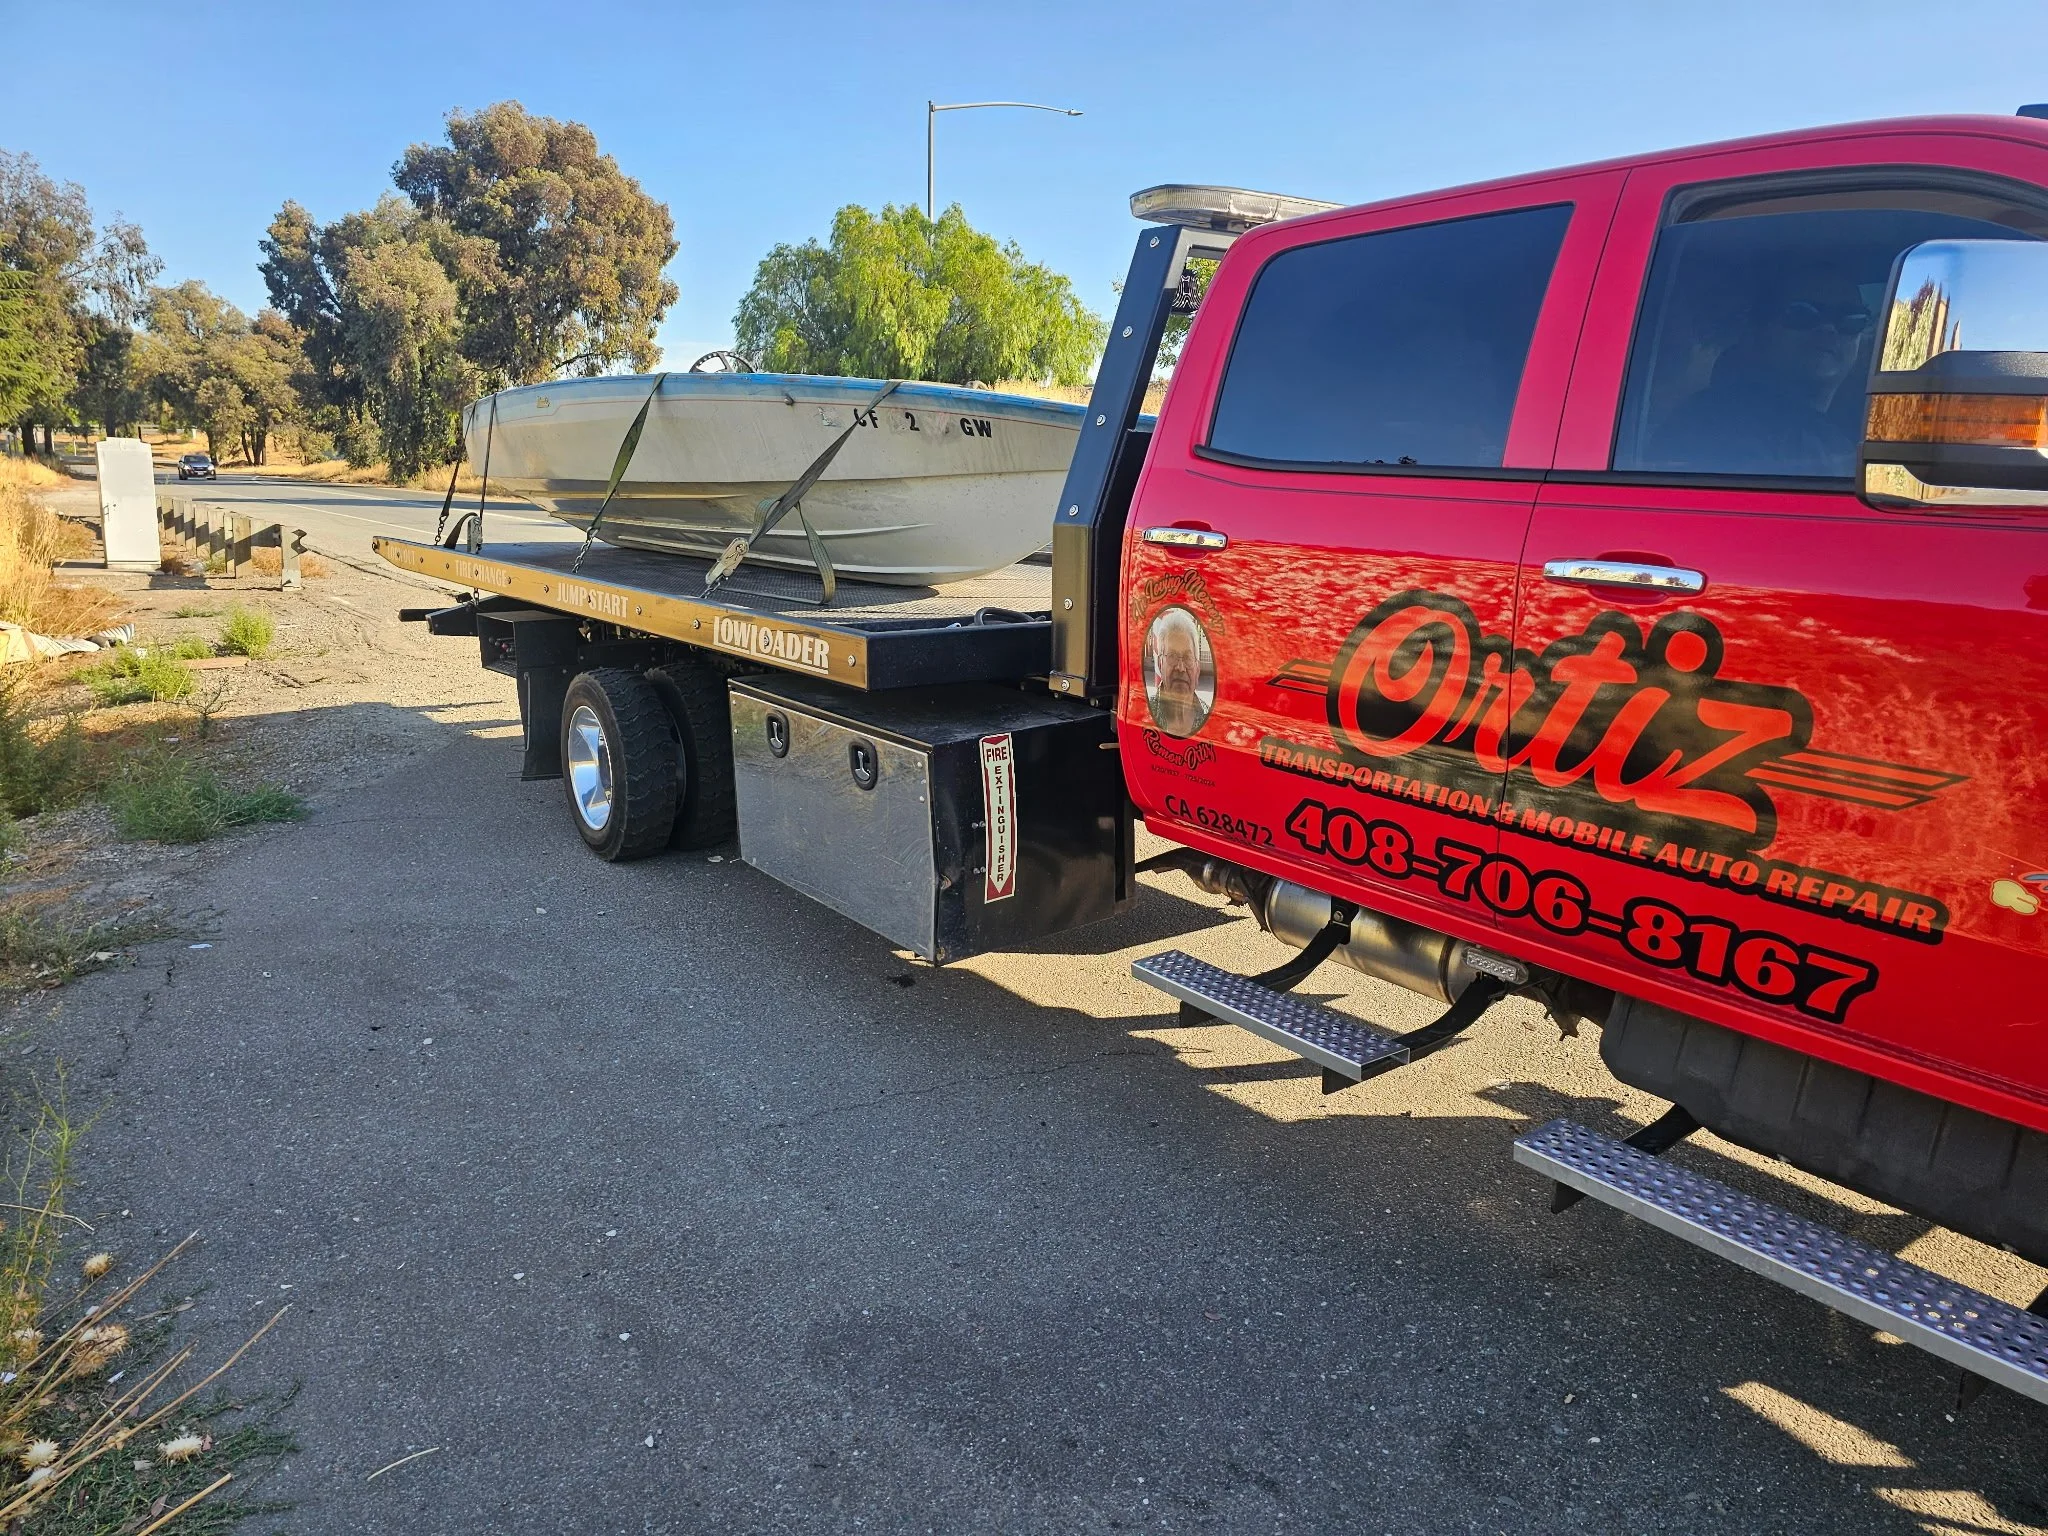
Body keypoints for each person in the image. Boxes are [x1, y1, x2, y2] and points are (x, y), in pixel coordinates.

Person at [1655, 265, 1874, 477]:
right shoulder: (1715, 424)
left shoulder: (1851, 431)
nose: (1829, 329)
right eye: (1803, 314)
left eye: (1851, 319)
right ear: (1759, 330)